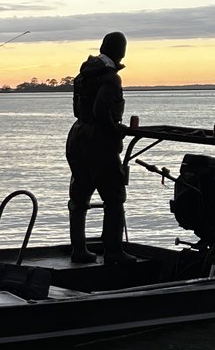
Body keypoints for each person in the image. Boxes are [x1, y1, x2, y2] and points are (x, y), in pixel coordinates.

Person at [65, 32, 135, 264]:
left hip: (77, 135)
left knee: (80, 192)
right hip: (98, 141)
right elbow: (101, 113)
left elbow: (79, 109)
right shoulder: (110, 79)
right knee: (114, 195)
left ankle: (79, 249)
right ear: (121, 52)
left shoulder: (83, 74)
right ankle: (113, 250)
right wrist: (118, 130)